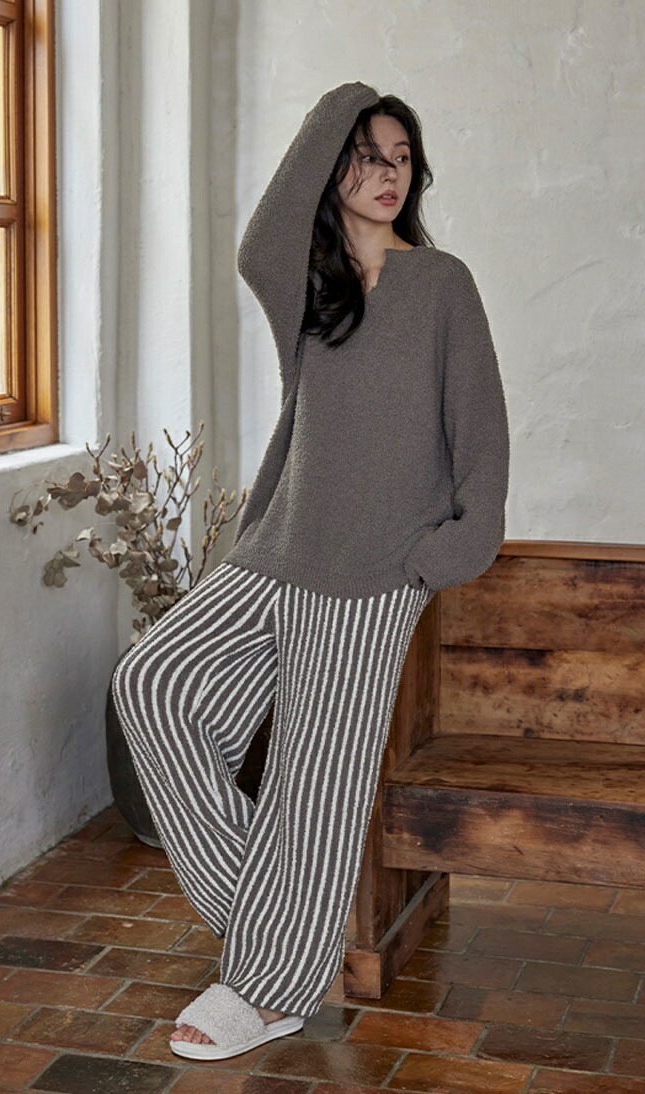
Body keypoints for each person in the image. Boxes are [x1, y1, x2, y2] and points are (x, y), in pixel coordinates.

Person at [112, 80, 510, 1061]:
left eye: (400, 158)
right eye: (366, 155)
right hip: (276, 549)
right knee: (152, 682)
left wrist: (437, 557)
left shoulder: (441, 284)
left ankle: (271, 986)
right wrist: (349, 103)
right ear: (333, 166)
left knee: (313, 783)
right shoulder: (310, 288)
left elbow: (483, 439)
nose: (386, 173)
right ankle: (271, 920)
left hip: (375, 575)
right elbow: (255, 244)